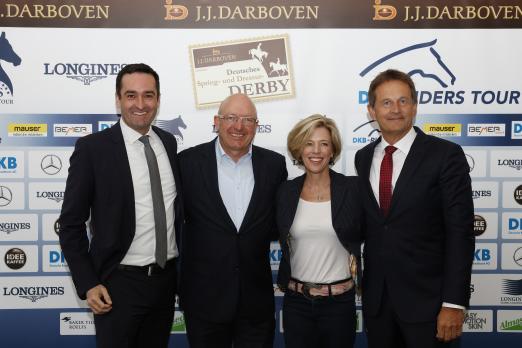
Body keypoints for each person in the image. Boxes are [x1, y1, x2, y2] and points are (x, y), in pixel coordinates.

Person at [59, 63, 182, 348]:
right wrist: (89, 282)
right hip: (117, 285)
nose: (141, 104)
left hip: (165, 283)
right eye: (131, 95)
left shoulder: (168, 143)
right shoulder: (93, 149)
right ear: (118, 99)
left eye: (148, 95)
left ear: (158, 100)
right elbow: (70, 224)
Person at [355, 69, 475, 348]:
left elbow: (461, 233)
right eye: (386, 103)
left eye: (403, 101)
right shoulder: (363, 158)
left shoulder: (446, 155)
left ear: (415, 106)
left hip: (430, 306)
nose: (395, 110)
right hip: (378, 305)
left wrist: (454, 303)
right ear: (371, 110)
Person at [178, 93, 287, 348]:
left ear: (256, 126)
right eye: (231, 118)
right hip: (204, 301)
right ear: (216, 121)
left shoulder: (274, 165)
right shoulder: (187, 163)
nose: (239, 126)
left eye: (248, 119)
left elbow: (277, 223)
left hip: (256, 303)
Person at [276, 115, 361, 348]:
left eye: (324, 144)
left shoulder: (353, 190)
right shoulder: (285, 192)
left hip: (339, 304)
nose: (316, 151)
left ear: (332, 150)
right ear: (298, 148)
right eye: (308, 143)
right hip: (296, 303)